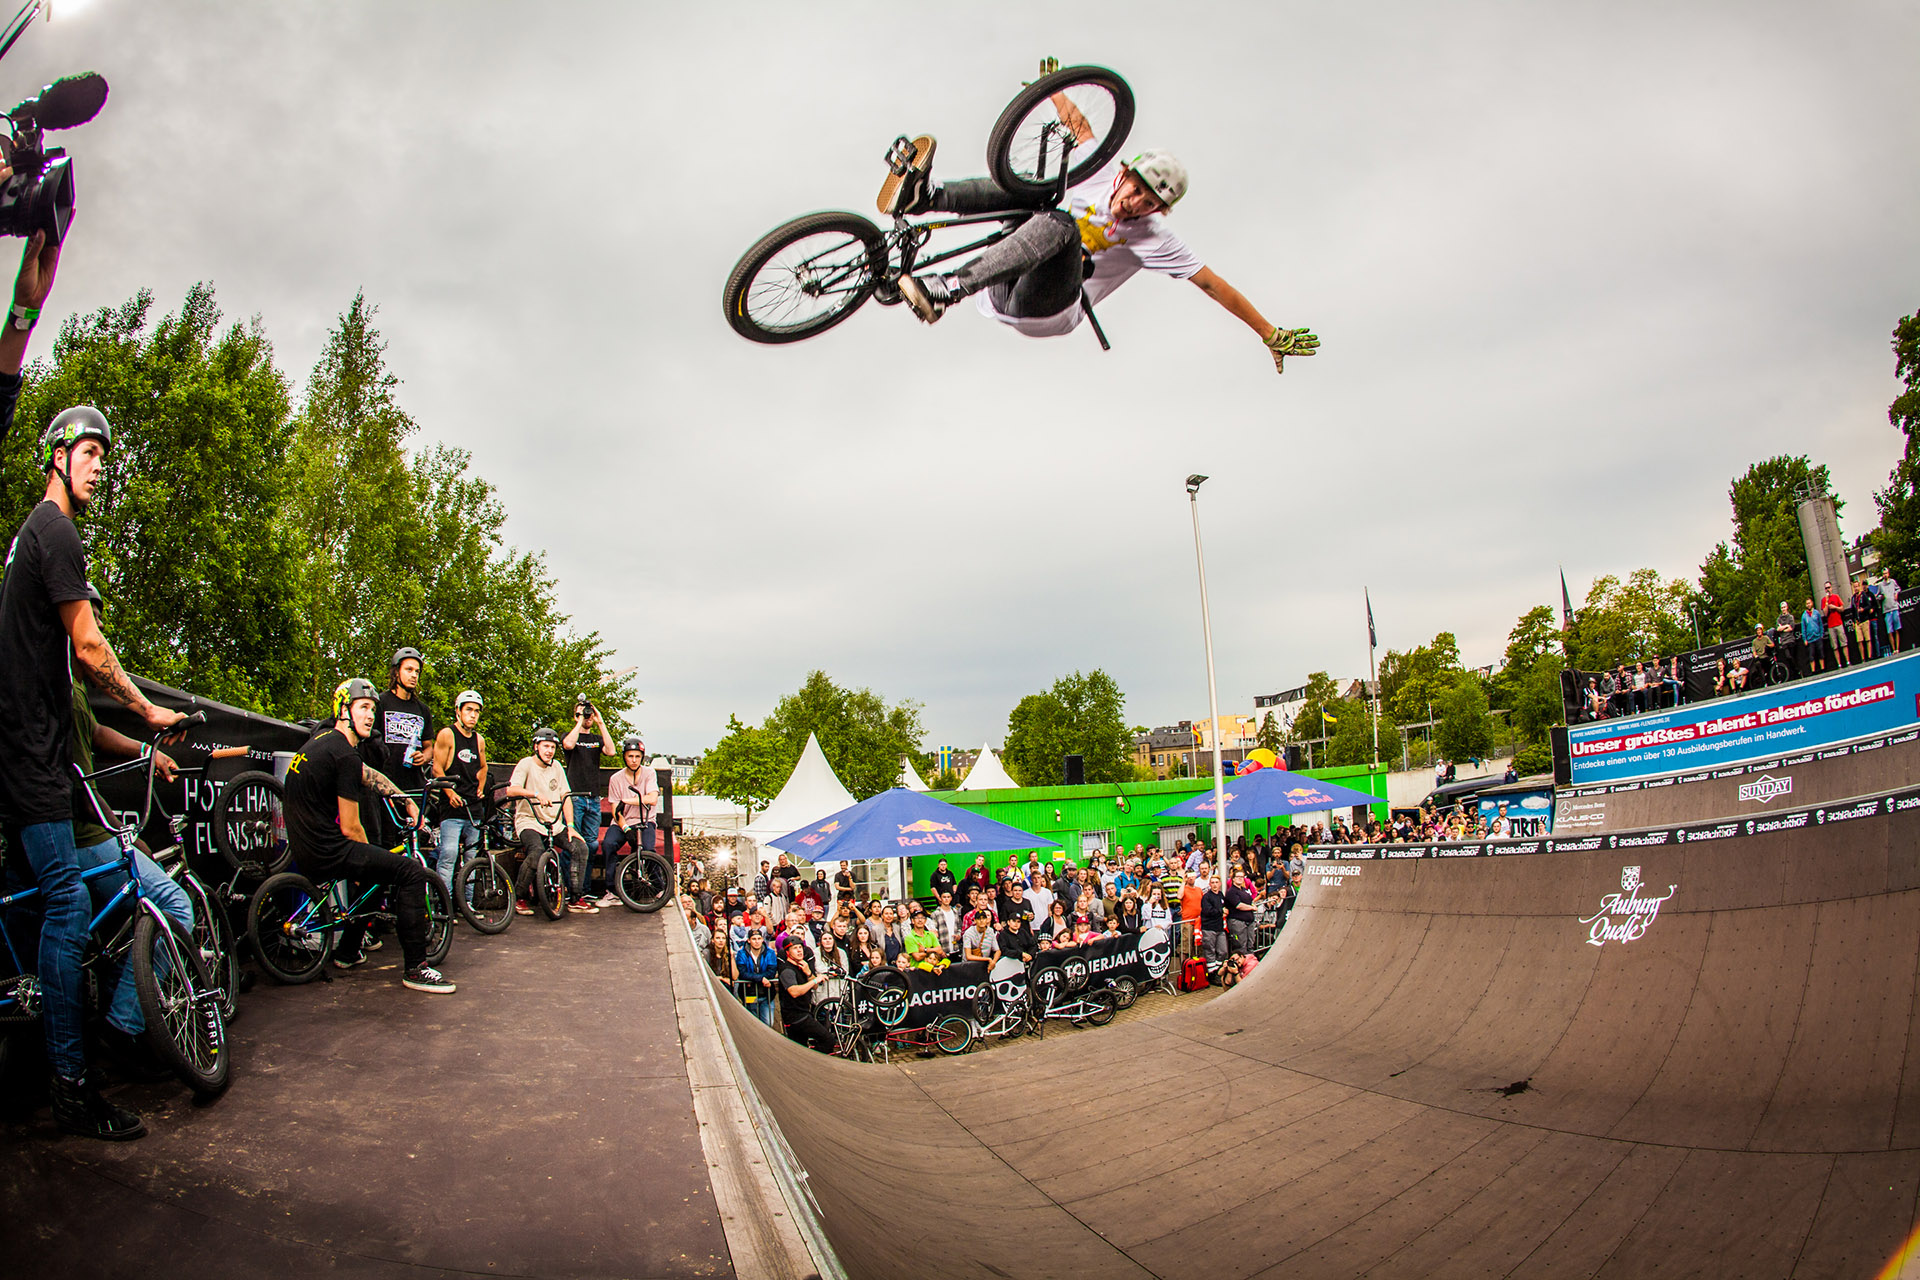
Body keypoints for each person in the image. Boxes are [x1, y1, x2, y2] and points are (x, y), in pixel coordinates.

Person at [0, 405, 190, 1140]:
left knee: (51, 902)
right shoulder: (55, 531)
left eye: (103, 457)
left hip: (37, 756)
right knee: (69, 908)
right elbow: (88, 642)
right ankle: (73, 1089)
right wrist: (149, 711)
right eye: (88, 452)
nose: (99, 465)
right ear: (54, 455)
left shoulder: (27, 538)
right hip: (29, 760)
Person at [881, 83, 1321, 378]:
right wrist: (1052, 89)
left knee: (1061, 225)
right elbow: (1080, 127)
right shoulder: (1098, 170)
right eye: (1135, 191)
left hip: (1050, 308)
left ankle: (947, 288)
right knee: (1036, 192)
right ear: (1124, 175)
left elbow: (1212, 284)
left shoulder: (1153, 238)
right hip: (1002, 290)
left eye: (1149, 204)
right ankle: (928, 196)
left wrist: (1268, 332)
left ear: (1160, 211)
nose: (1135, 205)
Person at [64, 591, 194, 1080]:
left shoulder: (72, 688)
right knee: (175, 906)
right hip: (75, 833)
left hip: (86, 828)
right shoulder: (48, 676)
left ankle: (125, 1018)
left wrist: (147, 753)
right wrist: (149, 715)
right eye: (88, 623)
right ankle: (121, 1029)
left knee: (121, 920)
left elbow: (95, 732)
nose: (96, 633)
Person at [284, 679, 452, 996]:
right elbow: (351, 827)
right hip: (330, 850)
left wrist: (405, 799)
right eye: (363, 707)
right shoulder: (344, 755)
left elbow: (369, 775)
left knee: (375, 881)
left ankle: (348, 952)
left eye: (373, 709)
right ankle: (416, 968)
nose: (370, 715)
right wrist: (371, 860)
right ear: (343, 709)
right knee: (410, 872)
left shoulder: (323, 745)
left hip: (307, 849)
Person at [502, 726, 592, 914]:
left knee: (580, 848)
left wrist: (570, 826)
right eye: (545, 746)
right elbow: (511, 790)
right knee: (536, 852)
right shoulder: (526, 764)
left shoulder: (557, 766)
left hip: (554, 823)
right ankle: (519, 897)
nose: (549, 751)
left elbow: (566, 797)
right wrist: (534, 794)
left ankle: (576, 898)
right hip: (529, 820)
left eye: (552, 747)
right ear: (536, 746)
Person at [429, 689, 488, 890]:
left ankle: (468, 904)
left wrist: (480, 787)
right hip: (452, 806)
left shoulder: (479, 739)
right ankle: (446, 904)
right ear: (459, 711)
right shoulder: (448, 734)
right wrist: (449, 792)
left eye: (477, 711)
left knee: (471, 858)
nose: (473, 715)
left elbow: (483, 767)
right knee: (449, 855)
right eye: (469, 710)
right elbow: (437, 767)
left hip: (473, 806)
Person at [592, 735, 660, 906]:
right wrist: (626, 829)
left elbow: (652, 799)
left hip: (645, 820)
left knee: (649, 849)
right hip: (623, 822)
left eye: (637, 756)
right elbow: (616, 811)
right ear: (624, 757)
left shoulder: (649, 773)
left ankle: (659, 889)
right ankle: (612, 892)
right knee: (608, 845)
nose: (634, 760)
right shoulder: (616, 778)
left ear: (642, 757)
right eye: (630, 756)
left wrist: (627, 801)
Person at [561, 697, 611, 908]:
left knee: (590, 844)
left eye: (588, 714)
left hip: (593, 798)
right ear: (575, 716)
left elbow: (611, 751)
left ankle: (584, 890)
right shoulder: (569, 735)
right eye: (582, 714)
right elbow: (568, 744)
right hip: (575, 797)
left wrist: (600, 721)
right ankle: (567, 888)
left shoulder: (596, 739)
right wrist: (579, 722)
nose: (586, 717)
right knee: (572, 844)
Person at [376, 645, 435, 811]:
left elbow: (429, 747)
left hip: (414, 786)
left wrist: (423, 757)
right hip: (385, 784)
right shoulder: (380, 703)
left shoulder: (422, 710)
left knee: (416, 836)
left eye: (417, 671)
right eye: (409, 670)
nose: (414, 675)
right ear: (396, 672)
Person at [776, 939, 836, 1052]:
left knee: (800, 1050)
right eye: (795, 948)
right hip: (795, 1017)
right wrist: (814, 980)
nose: (799, 950)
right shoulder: (787, 970)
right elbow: (794, 992)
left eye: (800, 947)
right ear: (788, 952)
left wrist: (809, 973)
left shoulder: (803, 967)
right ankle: (816, 1062)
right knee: (828, 1040)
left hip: (803, 1013)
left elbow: (815, 987)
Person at [735, 928, 780, 1026]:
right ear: (749, 940)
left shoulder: (770, 953)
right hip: (750, 994)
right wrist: (761, 979)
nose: (756, 941)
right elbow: (742, 973)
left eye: (759, 938)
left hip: (767, 995)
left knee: (768, 1023)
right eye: (754, 939)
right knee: (753, 1023)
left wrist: (754, 978)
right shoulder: (742, 953)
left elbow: (771, 972)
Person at [1821, 581, 1849, 669]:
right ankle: (1839, 664)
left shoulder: (1836, 597)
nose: (1827, 589)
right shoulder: (1824, 600)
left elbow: (1842, 609)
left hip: (1838, 623)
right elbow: (1825, 613)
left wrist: (1835, 607)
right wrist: (1827, 602)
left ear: (1831, 588)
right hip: (1830, 625)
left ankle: (1848, 662)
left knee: (1843, 643)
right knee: (1835, 646)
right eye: (1826, 588)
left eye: (1829, 587)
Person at [1854, 578, 1878, 662]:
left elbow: (1869, 606)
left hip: (1865, 619)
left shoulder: (1864, 595)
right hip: (1858, 621)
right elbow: (1853, 610)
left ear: (1859, 587)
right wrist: (1855, 619)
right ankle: (1863, 658)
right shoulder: (1853, 598)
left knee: (1868, 639)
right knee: (1859, 640)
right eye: (1854, 587)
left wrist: (1863, 609)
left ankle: (1870, 656)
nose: (1856, 588)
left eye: (1857, 586)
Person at [1800, 598, 1825, 677]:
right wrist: (1805, 639)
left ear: (1812, 603)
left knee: (1821, 653)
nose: (1808, 605)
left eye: (1809, 603)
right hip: (1810, 639)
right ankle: (1813, 671)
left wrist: (1821, 634)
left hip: (1818, 637)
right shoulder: (1804, 616)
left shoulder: (1816, 613)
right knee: (1811, 656)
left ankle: (1823, 669)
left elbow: (1820, 624)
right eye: (1807, 603)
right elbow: (1803, 628)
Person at [1883, 571, 1903, 654]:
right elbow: (1878, 595)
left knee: (1897, 629)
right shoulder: (1881, 585)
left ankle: (1897, 648)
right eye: (1884, 573)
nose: (1885, 575)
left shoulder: (1893, 582)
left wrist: (1896, 593)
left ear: (1888, 574)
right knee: (1889, 631)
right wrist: (1881, 597)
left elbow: (1898, 589)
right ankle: (1893, 649)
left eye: (1886, 573)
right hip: (1887, 610)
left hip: (1894, 608)